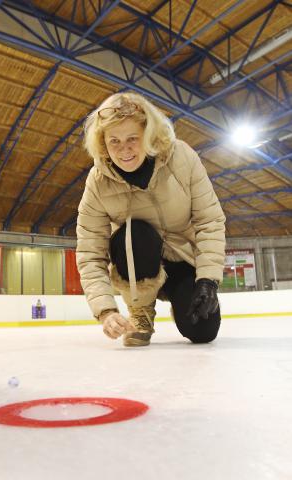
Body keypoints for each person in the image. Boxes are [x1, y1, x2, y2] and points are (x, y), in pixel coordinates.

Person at [76, 91, 226, 347]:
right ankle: (142, 312)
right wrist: (105, 310)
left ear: (149, 134)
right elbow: (90, 252)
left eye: (132, 138)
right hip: (137, 261)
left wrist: (207, 280)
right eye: (114, 141)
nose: (124, 149)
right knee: (134, 233)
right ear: (102, 142)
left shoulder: (182, 157)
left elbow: (209, 220)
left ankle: (179, 300)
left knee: (202, 331)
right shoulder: (97, 182)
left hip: (182, 258)